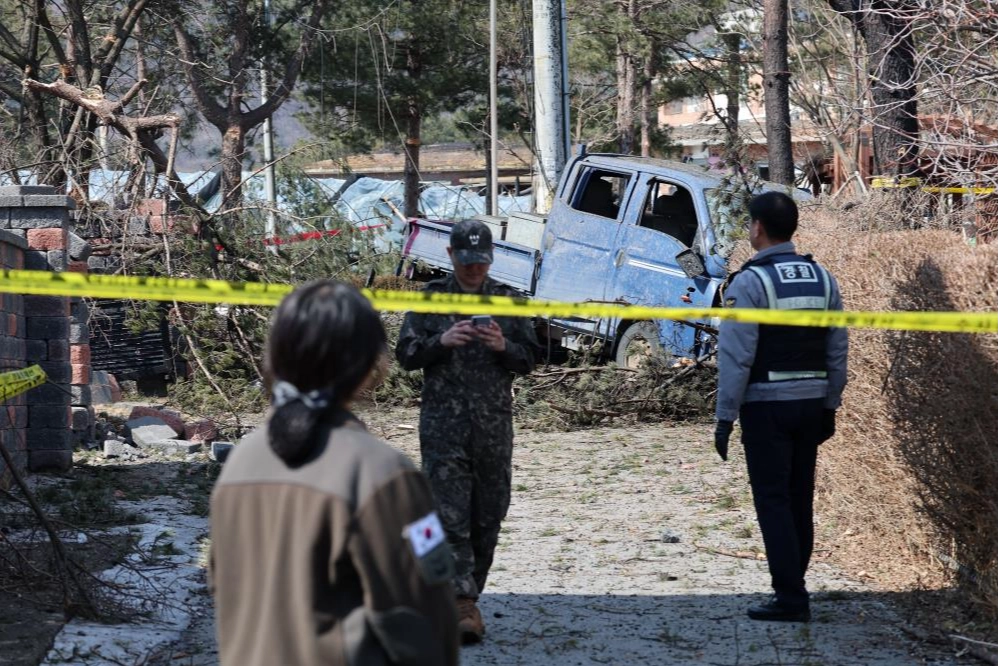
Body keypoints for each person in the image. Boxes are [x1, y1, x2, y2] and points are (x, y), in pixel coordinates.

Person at [209, 280, 459, 666]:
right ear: (370, 365)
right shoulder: (383, 473)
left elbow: (222, 586)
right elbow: (424, 620)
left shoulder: (239, 463)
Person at [396, 219, 540, 644]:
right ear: (451, 255)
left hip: (493, 427)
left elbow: (530, 359)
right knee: (448, 514)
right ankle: (460, 603)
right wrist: (441, 341)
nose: (474, 268)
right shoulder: (432, 298)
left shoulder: (509, 300)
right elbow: (406, 355)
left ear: (491, 257)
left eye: (481, 260)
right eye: (466, 260)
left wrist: (503, 346)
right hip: (443, 425)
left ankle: (464, 595)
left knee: (489, 514)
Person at [713, 191, 848, 622]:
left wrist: (724, 416)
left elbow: (736, 357)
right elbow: (837, 348)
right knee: (798, 499)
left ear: (757, 228)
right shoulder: (823, 278)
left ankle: (791, 598)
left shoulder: (749, 283)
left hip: (767, 407)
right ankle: (794, 587)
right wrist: (831, 404)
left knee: (772, 501)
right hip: (812, 405)